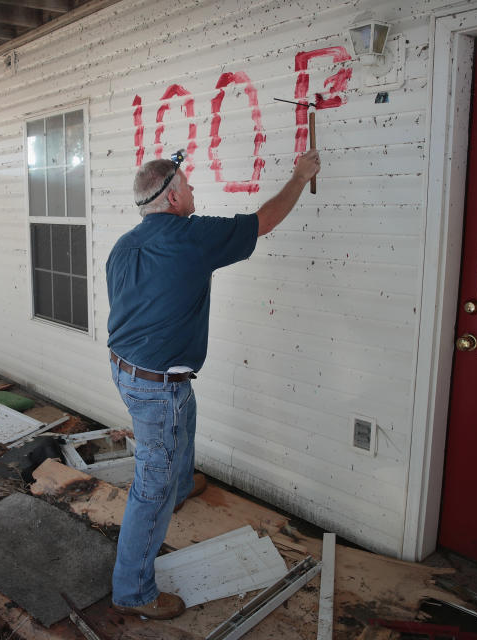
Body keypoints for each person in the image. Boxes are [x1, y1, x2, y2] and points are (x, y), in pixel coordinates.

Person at [105, 147, 321, 619]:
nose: (195, 190)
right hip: (156, 383)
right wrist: (300, 176)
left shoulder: (124, 245)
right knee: (150, 484)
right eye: (190, 184)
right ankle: (133, 591)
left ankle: (180, 488)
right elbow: (261, 221)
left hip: (128, 368)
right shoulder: (189, 238)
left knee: (185, 417)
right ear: (175, 195)